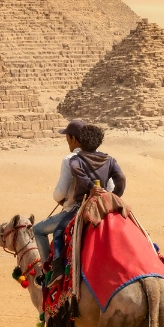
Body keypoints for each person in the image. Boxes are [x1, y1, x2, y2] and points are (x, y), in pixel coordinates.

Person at [32, 119, 127, 283]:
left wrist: (70, 196)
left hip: (78, 207)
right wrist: (113, 198)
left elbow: (61, 192)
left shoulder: (72, 159)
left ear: (74, 139)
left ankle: (52, 270)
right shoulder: (107, 159)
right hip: (106, 205)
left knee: (41, 230)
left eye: (67, 138)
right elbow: (116, 183)